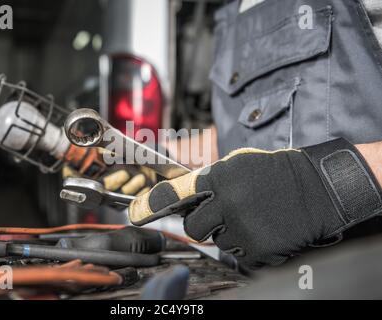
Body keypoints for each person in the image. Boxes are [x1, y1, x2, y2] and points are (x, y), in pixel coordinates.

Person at [127, 0, 382, 270]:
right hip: (252, 282)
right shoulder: (233, 9)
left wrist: (332, 183)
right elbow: (246, 128)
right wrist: (161, 159)